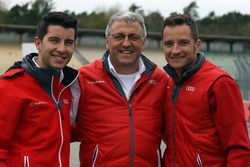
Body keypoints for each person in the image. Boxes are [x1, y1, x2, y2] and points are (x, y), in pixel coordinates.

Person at [76, 11, 168, 166]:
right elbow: (60, 128)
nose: (126, 43)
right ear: (107, 41)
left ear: (143, 42)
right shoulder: (84, 78)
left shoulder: (160, 80)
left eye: (133, 37)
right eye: (119, 37)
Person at [161, 13, 250, 167]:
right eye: (169, 44)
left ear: (197, 44)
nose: (175, 50)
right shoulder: (168, 83)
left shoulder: (220, 83)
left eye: (183, 43)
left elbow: (239, 149)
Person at [0, 11, 79, 167]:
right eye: (54, 40)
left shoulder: (69, 86)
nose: (62, 49)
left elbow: (65, 133)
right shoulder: (9, 86)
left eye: (68, 42)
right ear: (38, 43)